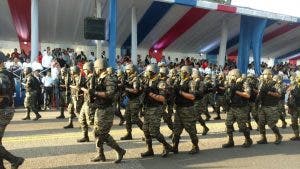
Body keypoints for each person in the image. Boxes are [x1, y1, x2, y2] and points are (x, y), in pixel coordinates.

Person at [91, 58, 126, 163]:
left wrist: (95, 93)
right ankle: (100, 155)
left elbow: (110, 94)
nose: (95, 69)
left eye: (96, 67)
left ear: (100, 67)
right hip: (100, 108)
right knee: (96, 132)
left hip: (107, 109)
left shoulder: (109, 78)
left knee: (103, 134)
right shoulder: (100, 78)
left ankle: (120, 151)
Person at [140, 64, 173, 158]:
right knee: (146, 130)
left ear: (153, 73)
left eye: (148, 72)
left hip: (156, 109)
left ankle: (166, 146)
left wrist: (149, 93)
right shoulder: (148, 81)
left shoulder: (161, 83)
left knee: (154, 131)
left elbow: (162, 98)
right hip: (147, 108)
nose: (146, 73)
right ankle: (150, 150)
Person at [0, 51, 24, 169]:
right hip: (5, 109)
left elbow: (1, 97)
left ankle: (15, 160)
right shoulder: (6, 73)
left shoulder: (2, 76)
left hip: (2, 110)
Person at [222, 69, 253, 148]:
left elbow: (248, 95)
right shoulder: (230, 83)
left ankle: (248, 139)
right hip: (232, 107)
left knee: (242, 126)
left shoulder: (244, 83)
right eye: (231, 75)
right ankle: (230, 141)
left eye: (233, 75)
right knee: (228, 124)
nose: (232, 77)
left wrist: (236, 91)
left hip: (241, 108)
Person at [173, 66, 199, 154]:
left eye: (183, 71)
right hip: (179, 108)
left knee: (191, 129)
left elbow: (192, 97)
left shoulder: (191, 82)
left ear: (187, 73)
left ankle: (195, 146)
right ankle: (175, 146)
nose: (181, 73)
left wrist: (180, 92)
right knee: (176, 129)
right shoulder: (179, 81)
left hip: (187, 109)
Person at [256, 69, 283, 145]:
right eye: (265, 74)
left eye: (268, 74)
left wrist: (269, 92)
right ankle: (263, 138)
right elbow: (259, 93)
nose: (266, 76)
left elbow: (279, 95)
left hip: (272, 107)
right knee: (261, 123)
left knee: (271, 123)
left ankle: (279, 136)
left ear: (271, 75)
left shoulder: (275, 84)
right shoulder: (262, 83)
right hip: (263, 106)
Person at [120, 64, 144, 140]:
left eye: (128, 69)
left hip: (135, 100)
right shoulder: (129, 78)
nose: (126, 71)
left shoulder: (135, 79)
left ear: (132, 70)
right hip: (130, 100)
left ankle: (147, 132)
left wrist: (126, 89)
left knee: (134, 118)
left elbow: (135, 90)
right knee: (127, 117)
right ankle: (129, 133)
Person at [287, 74, 300, 141]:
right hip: (293, 108)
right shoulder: (291, 88)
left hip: (298, 107)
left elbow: (297, 96)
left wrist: (292, 91)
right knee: (294, 122)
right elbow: (289, 99)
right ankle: (296, 135)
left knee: (295, 122)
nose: (291, 81)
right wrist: (289, 105)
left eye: (293, 79)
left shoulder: (297, 88)